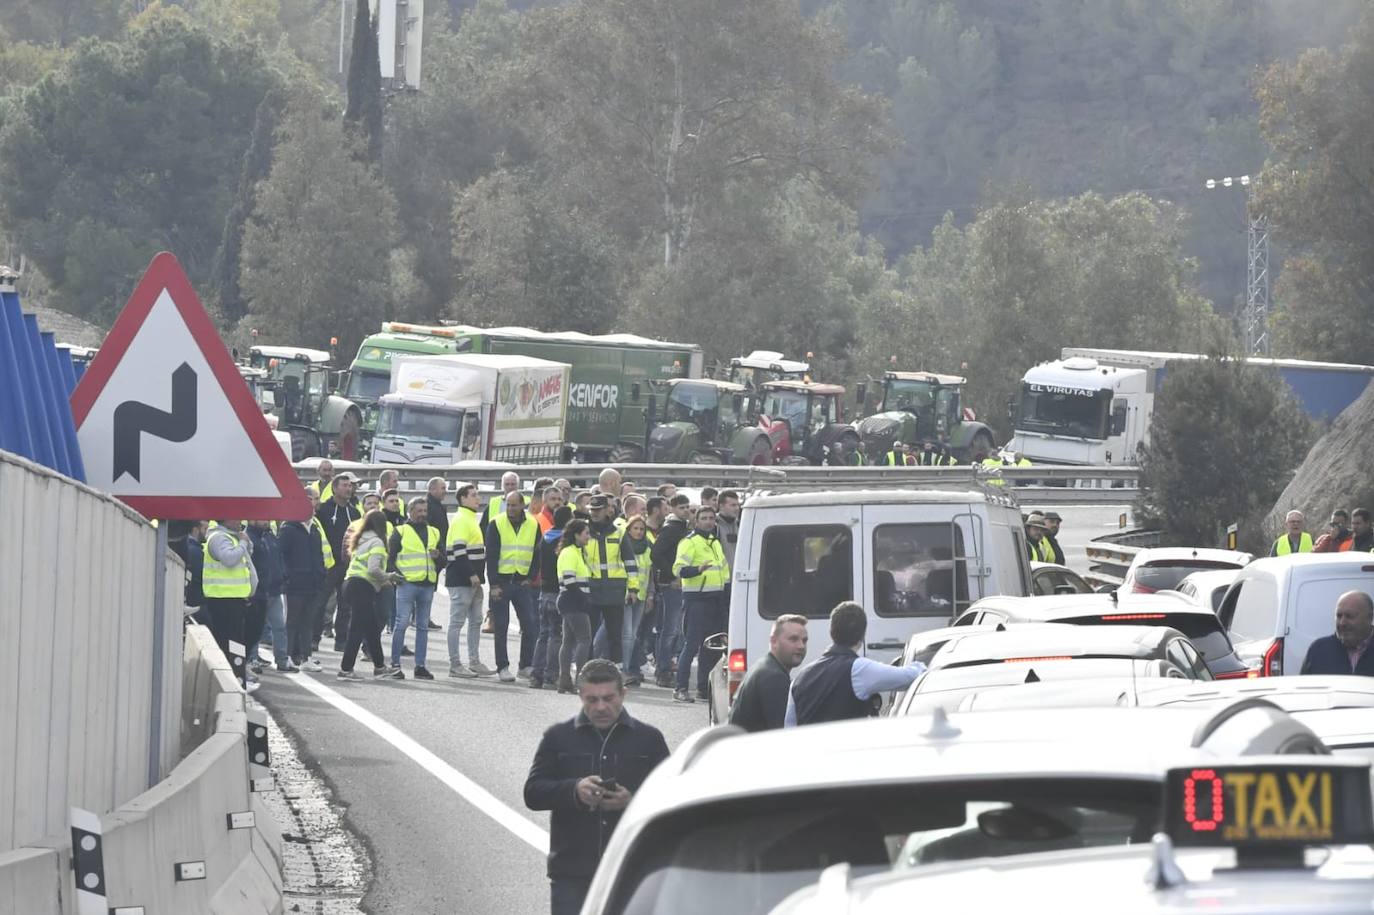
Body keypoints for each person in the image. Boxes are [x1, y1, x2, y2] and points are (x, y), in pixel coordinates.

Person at [524, 660, 670, 915]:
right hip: (572, 871)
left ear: (624, 693)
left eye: (608, 698)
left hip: (631, 871)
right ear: (580, 695)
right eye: (592, 700)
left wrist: (632, 801)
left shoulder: (649, 739)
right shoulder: (558, 737)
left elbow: (674, 799)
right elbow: (533, 792)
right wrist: (574, 790)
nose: (601, 707)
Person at [786, 602, 927, 726]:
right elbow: (911, 676)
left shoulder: (799, 678)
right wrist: (926, 664)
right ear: (863, 635)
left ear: (831, 632)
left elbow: (789, 729)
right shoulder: (858, 669)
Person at [338, 511, 405, 680]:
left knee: (371, 628)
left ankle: (380, 666)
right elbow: (373, 569)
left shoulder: (361, 539)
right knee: (356, 630)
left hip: (350, 584)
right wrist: (389, 576)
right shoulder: (377, 543)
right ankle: (346, 669)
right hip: (362, 586)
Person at [673, 506, 729, 703]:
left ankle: (703, 688)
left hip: (716, 599)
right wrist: (698, 569)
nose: (708, 521)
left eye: (711, 518)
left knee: (710, 646)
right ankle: (680, 688)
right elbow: (678, 570)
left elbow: (724, 572)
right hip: (696, 600)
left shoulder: (714, 542)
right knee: (691, 645)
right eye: (704, 518)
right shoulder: (689, 542)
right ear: (696, 521)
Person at [486, 490, 542, 682]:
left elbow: (537, 552)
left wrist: (531, 576)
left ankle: (525, 665)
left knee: (529, 624)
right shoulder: (497, 523)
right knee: (500, 627)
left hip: (521, 582)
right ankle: (502, 666)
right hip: (501, 581)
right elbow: (491, 556)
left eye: (514, 505)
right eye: (508, 505)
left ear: (522, 505)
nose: (510, 508)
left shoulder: (533, 524)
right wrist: (493, 584)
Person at [388, 496, 444, 679]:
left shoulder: (434, 532)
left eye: (424, 511)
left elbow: (444, 559)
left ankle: (420, 666)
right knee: (401, 623)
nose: (422, 514)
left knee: (422, 627)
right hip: (407, 584)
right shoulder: (401, 531)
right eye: (418, 511)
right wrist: (396, 575)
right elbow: (390, 558)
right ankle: (395, 664)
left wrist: (438, 557)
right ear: (410, 512)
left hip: (427, 584)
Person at [728, 614, 809, 732]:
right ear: (774, 641)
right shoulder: (773, 677)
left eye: (804, 640)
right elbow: (782, 732)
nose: (801, 646)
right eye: (793, 639)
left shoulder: (766, 666)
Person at [203, 519, 258, 688]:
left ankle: (237, 679)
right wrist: (242, 542)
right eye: (235, 518)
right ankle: (234, 681)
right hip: (223, 599)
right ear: (225, 519)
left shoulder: (230, 536)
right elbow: (229, 559)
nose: (239, 522)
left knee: (236, 642)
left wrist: (244, 543)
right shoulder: (219, 537)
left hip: (234, 599)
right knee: (230, 643)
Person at [446, 484, 493, 678]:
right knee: (457, 622)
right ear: (463, 499)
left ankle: (474, 661)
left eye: (478, 495)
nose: (478, 498)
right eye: (474, 495)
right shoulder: (461, 520)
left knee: (475, 620)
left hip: (473, 580)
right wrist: (471, 575)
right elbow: (458, 550)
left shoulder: (470, 519)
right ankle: (455, 664)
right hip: (462, 580)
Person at [586, 494, 636, 664]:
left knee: (615, 635)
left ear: (608, 510)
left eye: (598, 510)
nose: (594, 513)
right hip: (590, 590)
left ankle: (616, 669)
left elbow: (630, 563)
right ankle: (587, 669)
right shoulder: (583, 531)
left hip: (614, 590)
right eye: (592, 510)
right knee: (588, 633)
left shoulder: (619, 532)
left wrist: (633, 589)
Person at [317, 472, 362, 649]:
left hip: (348, 566)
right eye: (344, 485)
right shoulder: (324, 510)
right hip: (329, 565)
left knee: (345, 604)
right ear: (335, 488)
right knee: (320, 603)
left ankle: (341, 640)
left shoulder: (354, 512)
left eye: (350, 485)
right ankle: (314, 638)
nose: (348, 488)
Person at [532, 506, 575, 690]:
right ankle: (551, 675)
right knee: (557, 635)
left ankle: (536, 674)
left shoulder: (546, 537)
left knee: (543, 635)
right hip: (557, 591)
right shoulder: (563, 541)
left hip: (544, 590)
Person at [280, 503, 326, 673]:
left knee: (308, 622)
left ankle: (307, 657)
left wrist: (321, 575)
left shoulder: (314, 530)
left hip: (313, 583)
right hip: (295, 583)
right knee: (292, 621)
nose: (311, 512)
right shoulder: (288, 529)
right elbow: (282, 554)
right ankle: (288, 656)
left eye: (312, 509)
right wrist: (287, 576)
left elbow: (319, 555)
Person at [651, 495, 691, 687]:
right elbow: (656, 554)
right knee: (670, 630)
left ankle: (665, 666)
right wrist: (672, 575)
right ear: (672, 508)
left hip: (678, 584)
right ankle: (663, 670)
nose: (686, 510)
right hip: (671, 585)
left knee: (673, 630)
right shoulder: (671, 529)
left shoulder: (681, 527)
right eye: (681, 507)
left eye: (687, 507)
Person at [557, 519, 595, 692]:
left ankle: (564, 680)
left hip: (570, 601)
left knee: (569, 641)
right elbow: (570, 581)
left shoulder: (577, 552)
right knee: (584, 640)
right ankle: (580, 679)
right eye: (586, 533)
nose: (589, 536)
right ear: (577, 535)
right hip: (573, 601)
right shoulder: (570, 553)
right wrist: (584, 599)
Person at [246, 520, 288, 673]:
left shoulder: (270, 537)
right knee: (255, 628)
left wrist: (283, 577)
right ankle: (252, 659)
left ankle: (282, 660)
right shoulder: (248, 537)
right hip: (257, 591)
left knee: (280, 626)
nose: (266, 521)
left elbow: (279, 559)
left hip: (274, 590)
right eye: (262, 518)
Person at [1299, 590, 1374, 676]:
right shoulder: (1318, 650)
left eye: (1349, 616)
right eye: (1339, 616)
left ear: (1369, 617)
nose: (1342, 623)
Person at [619, 515, 653, 687]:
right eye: (635, 528)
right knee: (626, 635)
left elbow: (651, 573)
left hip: (641, 595)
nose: (639, 532)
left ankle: (627, 668)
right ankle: (623, 669)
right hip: (626, 594)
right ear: (628, 529)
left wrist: (650, 595)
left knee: (632, 635)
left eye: (641, 529)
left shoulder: (648, 547)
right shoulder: (623, 545)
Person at [715, 490, 742, 569]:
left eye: (738, 505)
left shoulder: (740, 525)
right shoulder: (714, 526)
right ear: (721, 506)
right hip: (721, 577)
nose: (737, 508)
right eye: (733, 505)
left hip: (739, 576)